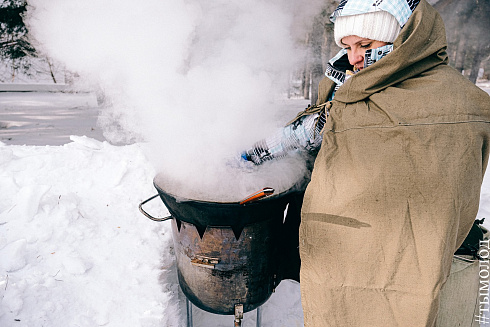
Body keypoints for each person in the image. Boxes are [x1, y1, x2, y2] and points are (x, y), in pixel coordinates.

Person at [241, 0, 490, 326]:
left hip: (415, 259)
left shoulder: (456, 102)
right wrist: (252, 156)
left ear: (402, 38)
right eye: (347, 45)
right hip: (342, 253)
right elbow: (310, 132)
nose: (355, 57)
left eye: (366, 44)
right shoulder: (348, 87)